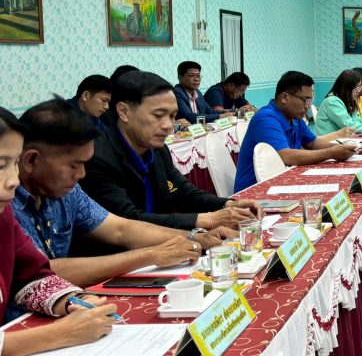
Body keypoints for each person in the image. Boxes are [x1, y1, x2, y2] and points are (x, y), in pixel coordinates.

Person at [13, 99, 229, 287]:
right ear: (31, 160)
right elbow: (41, 272)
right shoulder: (7, 204)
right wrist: (150, 255)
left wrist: (194, 237)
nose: (81, 174)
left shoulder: (68, 193)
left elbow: (120, 229)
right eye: (73, 165)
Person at [0, 107, 118, 356]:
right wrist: (60, 333)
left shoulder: (3, 217)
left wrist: (73, 300)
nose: (13, 180)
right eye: (0, 166)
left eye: (13, 164)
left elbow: (32, 274)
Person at [81, 71, 259, 231]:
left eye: (172, 116)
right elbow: (128, 220)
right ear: (124, 112)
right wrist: (208, 220)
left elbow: (184, 192)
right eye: (158, 115)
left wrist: (228, 204)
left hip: (164, 241)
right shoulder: (96, 156)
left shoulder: (157, 149)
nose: (168, 126)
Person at [234, 71, 359, 192]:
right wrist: (331, 153)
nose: (308, 106)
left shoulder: (294, 117)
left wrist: (342, 148)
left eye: (310, 101)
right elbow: (286, 156)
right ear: (285, 97)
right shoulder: (266, 118)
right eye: (305, 100)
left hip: (282, 182)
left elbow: (312, 143)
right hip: (255, 191)